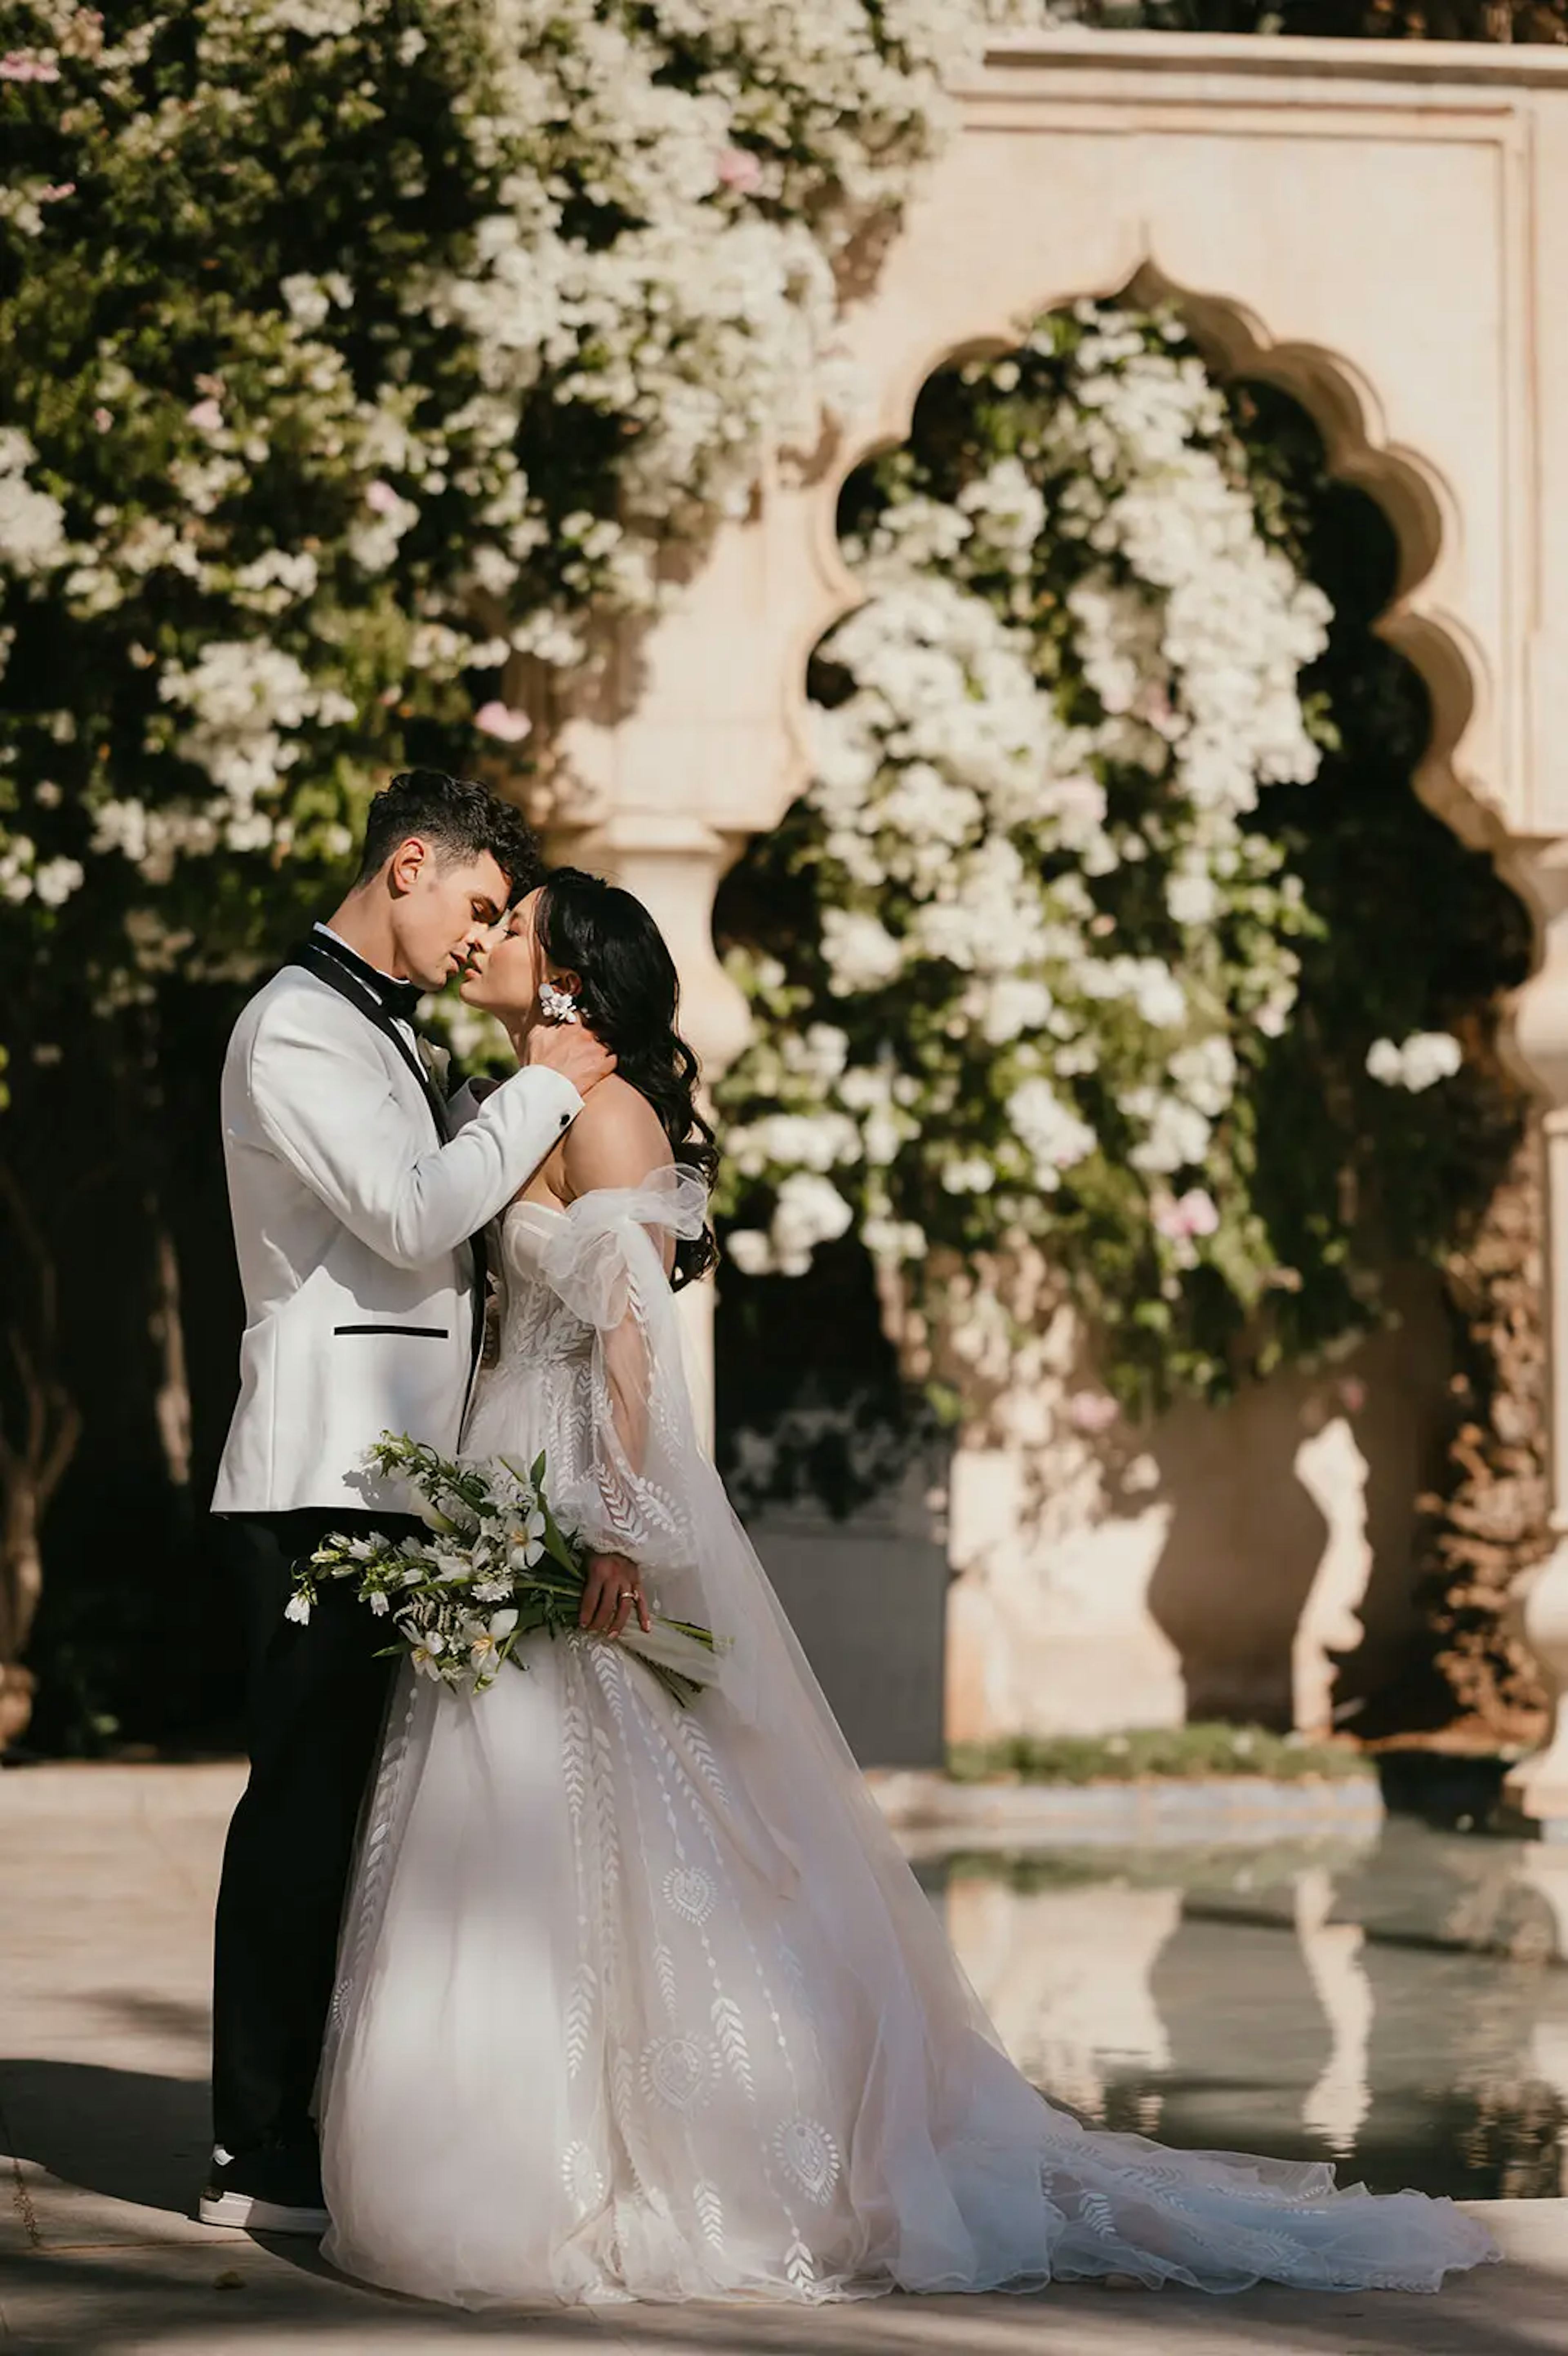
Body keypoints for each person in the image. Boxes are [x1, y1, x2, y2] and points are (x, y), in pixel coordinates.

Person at [315, 868, 1498, 2307]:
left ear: (572, 973)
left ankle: (675, 2154)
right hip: (509, 1475)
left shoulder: (607, 1109)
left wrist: (616, 1528)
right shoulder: (528, 1097)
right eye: (490, 922)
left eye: (519, 926)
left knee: (628, 1811)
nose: (490, 940)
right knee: (498, 1808)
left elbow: (635, 1351)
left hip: (578, 1491)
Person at [200, 776, 613, 2235]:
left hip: (402, 1481)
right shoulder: (296, 1027)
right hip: (327, 1474)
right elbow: (410, 1211)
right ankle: (253, 2152)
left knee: (361, 1814)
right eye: (481, 908)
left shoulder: (382, 1025)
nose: (481, 937)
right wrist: (553, 1084)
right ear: (410, 865)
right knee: (303, 1808)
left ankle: (328, 2115)